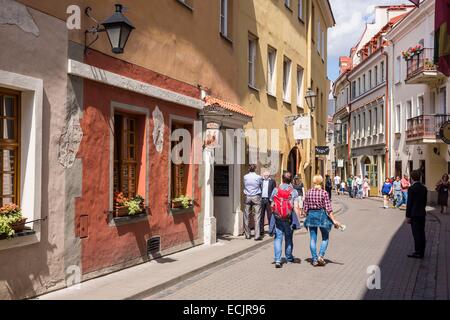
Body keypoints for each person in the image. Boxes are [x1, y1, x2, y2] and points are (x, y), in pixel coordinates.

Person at [303, 175, 341, 267]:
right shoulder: (324, 193)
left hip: (311, 216)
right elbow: (328, 209)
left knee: (313, 238)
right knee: (325, 237)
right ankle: (321, 255)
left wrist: (307, 213)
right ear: (321, 182)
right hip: (321, 216)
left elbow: (305, 208)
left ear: (313, 182)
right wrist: (334, 220)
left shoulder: (308, 192)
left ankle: (314, 259)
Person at [269, 172, 301, 268]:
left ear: (282, 179)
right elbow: (295, 207)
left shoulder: (276, 190)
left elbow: (272, 204)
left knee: (278, 238)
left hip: (278, 217)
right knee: (288, 238)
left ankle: (278, 260)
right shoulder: (293, 191)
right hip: (288, 218)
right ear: (291, 180)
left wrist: (274, 214)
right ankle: (289, 258)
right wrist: (298, 220)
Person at [406, 170, 428, 259]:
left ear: (411, 178)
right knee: (422, 233)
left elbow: (409, 203)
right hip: (422, 213)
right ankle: (422, 251)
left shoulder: (411, 188)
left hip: (414, 214)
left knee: (416, 234)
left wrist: (408, 216)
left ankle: (417, 252)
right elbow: (425, 202)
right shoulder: (424, 188)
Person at [243, 164, 263, 240]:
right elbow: (260, 185)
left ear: (249, 169)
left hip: (247, 196)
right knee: (257, 216)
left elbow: (245, 185)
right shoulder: (258, 177)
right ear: (255, 169)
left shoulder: (245, 176)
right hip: (256, 196)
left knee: (246, 216)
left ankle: (247, 235)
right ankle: (257, 235)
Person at [260, 170, 277, 237]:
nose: (266, 176)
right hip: (262, 199)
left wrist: (273, 201)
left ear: (269, 175)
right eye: (265, 175)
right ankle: (261, 231)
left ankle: (271, 230)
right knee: (261, 215)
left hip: (269, 200)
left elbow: (274, 191)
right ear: (263, 175)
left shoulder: (272, 181)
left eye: (267, 175)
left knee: (270, 216)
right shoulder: (261, 181)